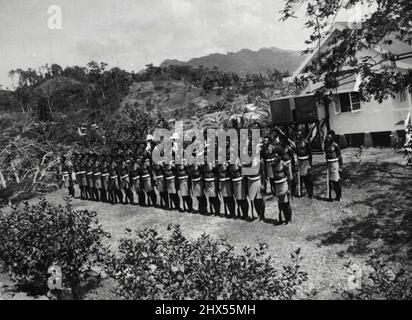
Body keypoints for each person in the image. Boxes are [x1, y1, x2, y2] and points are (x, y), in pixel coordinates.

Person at [272, 153, 293, 224]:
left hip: (284, 184)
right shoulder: (273, 164)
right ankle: (283, 218)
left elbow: (289, 177)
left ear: (280, 157)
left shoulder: (284, 164)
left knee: (286, 203)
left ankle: (288, 220)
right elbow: (273, 177)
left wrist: (289, 189)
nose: (274, 158)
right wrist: (274, 189)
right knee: (280, 203)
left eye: (276, 156)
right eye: (274, 156)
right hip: (277, 185)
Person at [324, 130, 343, 201]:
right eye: (327, 136)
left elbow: (340, 156)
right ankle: (330, 196)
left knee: (336, 181)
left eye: (330, 136)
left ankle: (339, 196)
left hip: (335, 164)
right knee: (330, 181)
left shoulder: (335, 145)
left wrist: (340, 167)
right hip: (329, 164)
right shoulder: (326, 146)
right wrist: (326, 164)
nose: (328, 138)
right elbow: (326, 155)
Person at [296, 129, 313, 198]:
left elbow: (310, 154)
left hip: (306, 161)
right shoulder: (297, 142)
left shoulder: (306, 142)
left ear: (302, 135)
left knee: (308, 178)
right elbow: (297, 153)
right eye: (297, 134)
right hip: (300, 162)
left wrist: (310, 165)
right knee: (302, 178)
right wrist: (298, 163)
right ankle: (302, 192)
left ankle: (310, 193)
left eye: (299, 134)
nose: (298, 136)